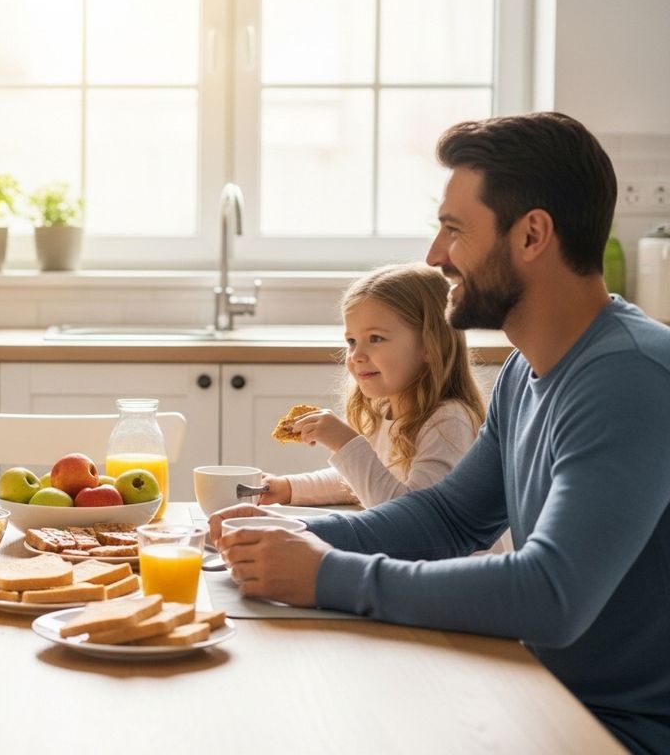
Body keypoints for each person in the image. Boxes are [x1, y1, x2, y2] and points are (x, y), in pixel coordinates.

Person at [210, 112, 670, 753]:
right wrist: (294, 534)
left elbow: (551, 594)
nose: (434, 255)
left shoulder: (631, 375)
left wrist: (327, 575)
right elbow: (448, 521)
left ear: (532, 234)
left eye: (454, 229)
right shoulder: (525, 372)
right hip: (536, 692)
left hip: (615, 733)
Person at [257, 263, 488, 513]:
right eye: (352, 341)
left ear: (430, 346)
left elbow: (413, 519)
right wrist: (288, 487)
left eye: (375, 338)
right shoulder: (383, 412)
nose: (356, 354)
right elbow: (357, 481)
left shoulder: (448, 422)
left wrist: (346, 443)